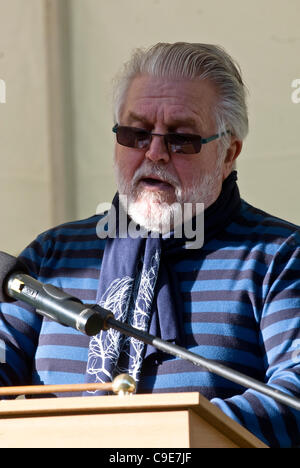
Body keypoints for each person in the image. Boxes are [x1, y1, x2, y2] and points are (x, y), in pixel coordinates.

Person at [0, 42, 300, 448]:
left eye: (181, 139)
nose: (154, 153)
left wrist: (156, 439)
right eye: (135, 133)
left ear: (229, 153)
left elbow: (293, 396)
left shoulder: (280, 256)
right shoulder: (55, 254)